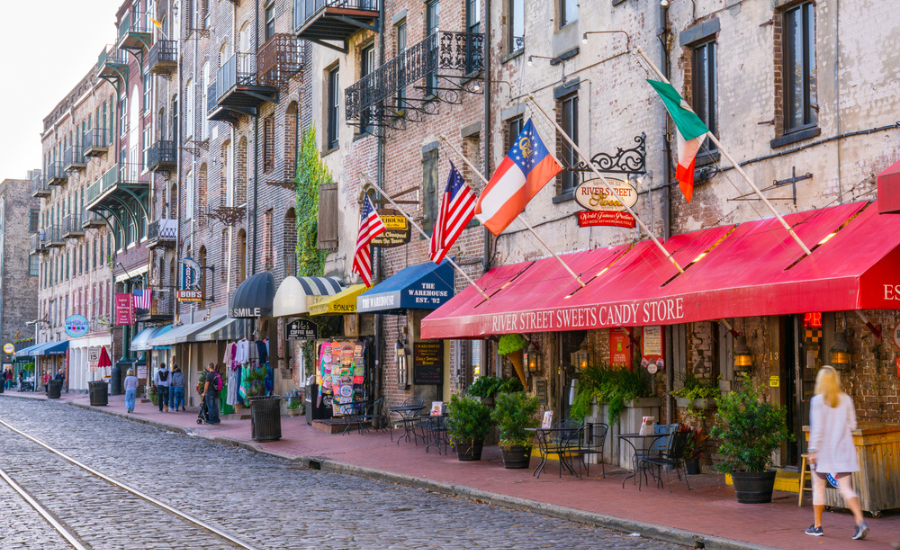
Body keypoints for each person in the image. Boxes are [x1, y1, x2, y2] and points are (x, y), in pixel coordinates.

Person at [806, 365, 868, 540]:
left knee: (818, 488)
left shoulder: (817, 401)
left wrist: (812, 451)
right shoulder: (846, 399)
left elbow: (817, 430)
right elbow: (853, 425)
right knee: (846, 488)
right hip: (843, 450)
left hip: (823, 452)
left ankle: (817, 526)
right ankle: (860, 521)